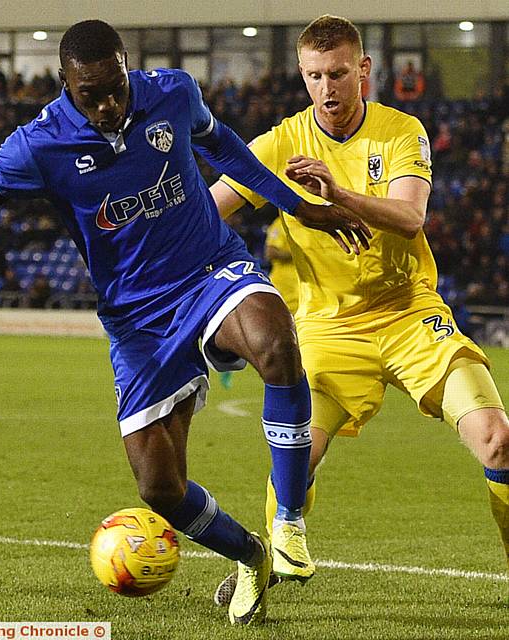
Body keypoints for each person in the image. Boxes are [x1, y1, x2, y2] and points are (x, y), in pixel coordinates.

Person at [0, 20, 370, 625]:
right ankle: (250, 555)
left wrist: (303, 209)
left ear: (127, 66)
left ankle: (289, 523)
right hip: (137, 320)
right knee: (159, 488)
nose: (109, 104)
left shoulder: (172, 93)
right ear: (65, 84)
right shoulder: (37, 147)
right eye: (91, 95)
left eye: (116, 87)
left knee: (275, 341)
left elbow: (226, 150)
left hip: (210, 269)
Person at [211, 14, 509, 603]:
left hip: (409, 315)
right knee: (297, 449)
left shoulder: (402, 130)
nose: (329, 88)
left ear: (364, 70)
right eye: (316, 76)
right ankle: (263, 563)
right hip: (328, 328)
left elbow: (410, 217)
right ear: (302, 76)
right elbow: (208, 212)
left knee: (498, 438)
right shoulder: (277, 144)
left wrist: (337, 195)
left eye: (340, 73)